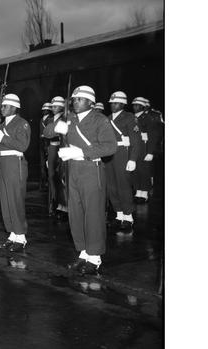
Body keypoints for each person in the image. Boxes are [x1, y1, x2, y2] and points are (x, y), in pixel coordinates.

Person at [54, 86, 117, 275]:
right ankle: (83, 252)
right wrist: (57, 125)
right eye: (74, 99)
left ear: (90, 102)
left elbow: (110, 147)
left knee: (93, 212)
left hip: (91, 169)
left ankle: (94, 256)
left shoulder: (99, 120)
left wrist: (81, 152)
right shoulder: (71, 119)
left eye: (80, 99)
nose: (75, 102)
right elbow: (49, 132)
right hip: (73, 169)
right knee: (76, 212)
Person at [0, 94, 31, 253]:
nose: (2, 108)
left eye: (5, 106)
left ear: (14, 107)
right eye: (2, 106)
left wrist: (3, 137)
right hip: (3, 164)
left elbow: (22, 145)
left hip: (15, 164)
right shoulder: (1, 125)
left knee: (15, 199)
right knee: (5, 200)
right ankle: (13, 234)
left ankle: (21, 236)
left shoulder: (22, 124)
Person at [104, 91, 141, 232]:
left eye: (117, 103)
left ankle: (128, 216)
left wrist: (132, 159)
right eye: (112, 103)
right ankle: (119, 215)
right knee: (111, 185)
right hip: (109, 154)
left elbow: (136, 140)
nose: (113, 105)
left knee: (123, 185)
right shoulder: (107, 118)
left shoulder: (130, 118)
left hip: (123, 154)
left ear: (123, 104)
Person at [131, 97, 162, 203]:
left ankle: (144, 193)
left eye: (137, 105)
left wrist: (150, 152)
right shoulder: (132, 117)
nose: (135, 107)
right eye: (133, 105)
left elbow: (153, 136)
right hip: (134, 147)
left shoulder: (148, 118)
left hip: (144, 147)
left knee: (144, 171)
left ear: (143, 107)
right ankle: (138, 191)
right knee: (135, 171)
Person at [42, 96, 68, 218]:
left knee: (62, 178)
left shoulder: (66, 118)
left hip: (62, 148)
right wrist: (48, 154)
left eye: (56, 106)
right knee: (52, 177)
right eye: (52, 106)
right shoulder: (49, 120)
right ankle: (55, 202)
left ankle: (65, 206)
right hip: (52, 148)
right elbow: (46, 137)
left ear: (62, 107)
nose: (53, 108)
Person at [39, 102, 53, 191]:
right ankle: (43, 180)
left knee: (49, 162)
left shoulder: (50, 119)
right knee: (42, 162)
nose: (44, 111)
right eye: (43, 110)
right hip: (41, 142)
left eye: (45, 110)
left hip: (48, 142)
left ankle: (49, 180)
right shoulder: (41, 120)